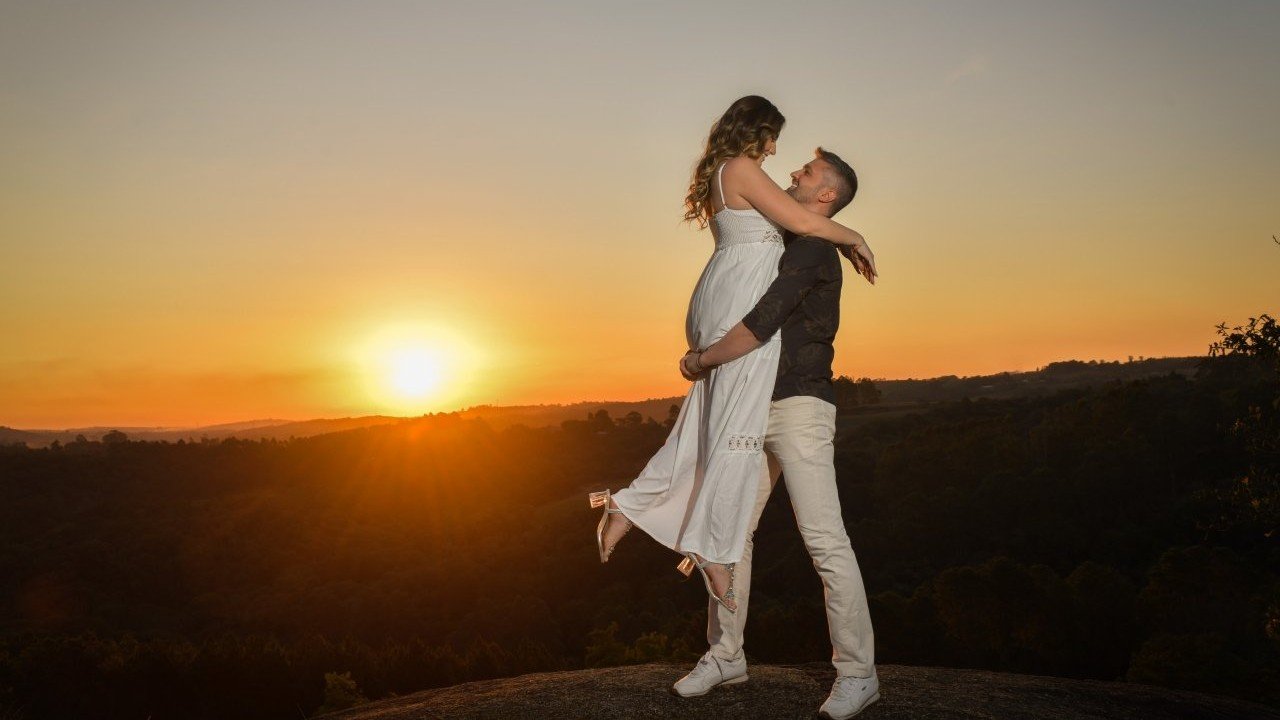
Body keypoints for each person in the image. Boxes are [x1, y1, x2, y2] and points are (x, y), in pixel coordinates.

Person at [589, 96, 877, 615]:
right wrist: (855, 237)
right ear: (755, 129)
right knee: (732, 435)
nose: (777, 152)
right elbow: (808, 222)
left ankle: (634, 509)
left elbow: (805, 221)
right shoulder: (742, 168)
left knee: (711, 429)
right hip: (735, 304)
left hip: (722, 295)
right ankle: (711, 549)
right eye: (773, 137)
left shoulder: (730, 171)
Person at [669, 147, 879, 719]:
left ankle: (859, 674)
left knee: (825, 541)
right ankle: (726, 656)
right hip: (749, 407)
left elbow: (762, 323)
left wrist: (699, 361)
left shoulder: (812, 250)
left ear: (825, 195)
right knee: (731, 534)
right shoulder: (781, 238)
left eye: (806, 173)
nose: (791, 173)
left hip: (798, 408)